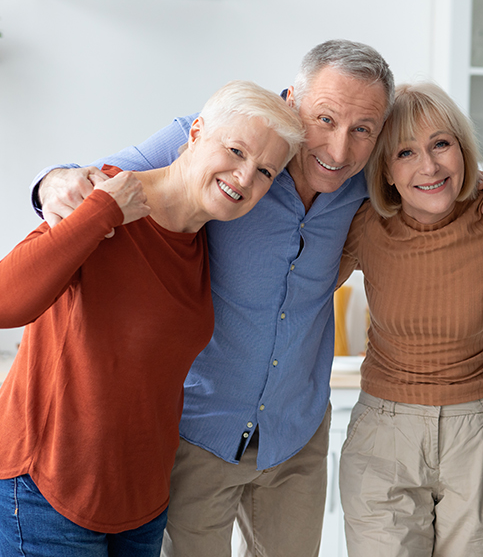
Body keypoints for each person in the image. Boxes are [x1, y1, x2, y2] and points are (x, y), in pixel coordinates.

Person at [30, 40, 394, 557]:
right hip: (199, 429)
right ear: (291, 103)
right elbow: (95, 183)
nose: (339, 151)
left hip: (295, 434)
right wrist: (52, 181)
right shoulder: (212, 145)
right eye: (325, 120)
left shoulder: (366, 180)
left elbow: (439, 174)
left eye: (363, 130)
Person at [0, 80, 304, 556]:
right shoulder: (107, 196)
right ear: (196, 132)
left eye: (265, 171)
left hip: (141, 506)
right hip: (47, 491)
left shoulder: (202, 242)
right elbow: (5, 302)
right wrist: (97, 210)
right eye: (236, 150)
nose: (245, 178)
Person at [337, 82, 483, 557]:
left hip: (481, 434)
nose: (430, 166)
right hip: (384, 436)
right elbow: (293, 287)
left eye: (441, 143)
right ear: (386, 172)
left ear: (462, 148)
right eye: (405, 152)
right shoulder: (363, 225)